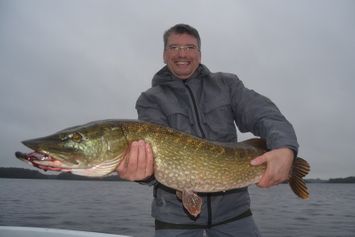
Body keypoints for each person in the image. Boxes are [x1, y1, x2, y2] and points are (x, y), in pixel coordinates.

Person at [117, 24, 298, 237]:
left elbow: (264, 114)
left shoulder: (227, 85)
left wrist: (285, 147)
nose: (182, 53)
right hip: (174, 215)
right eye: (174, 47)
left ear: (199, 54)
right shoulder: (150, 100)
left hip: (234, 211)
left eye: (189, 47)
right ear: (164, 54)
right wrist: (142, 174)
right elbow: (151, 156)